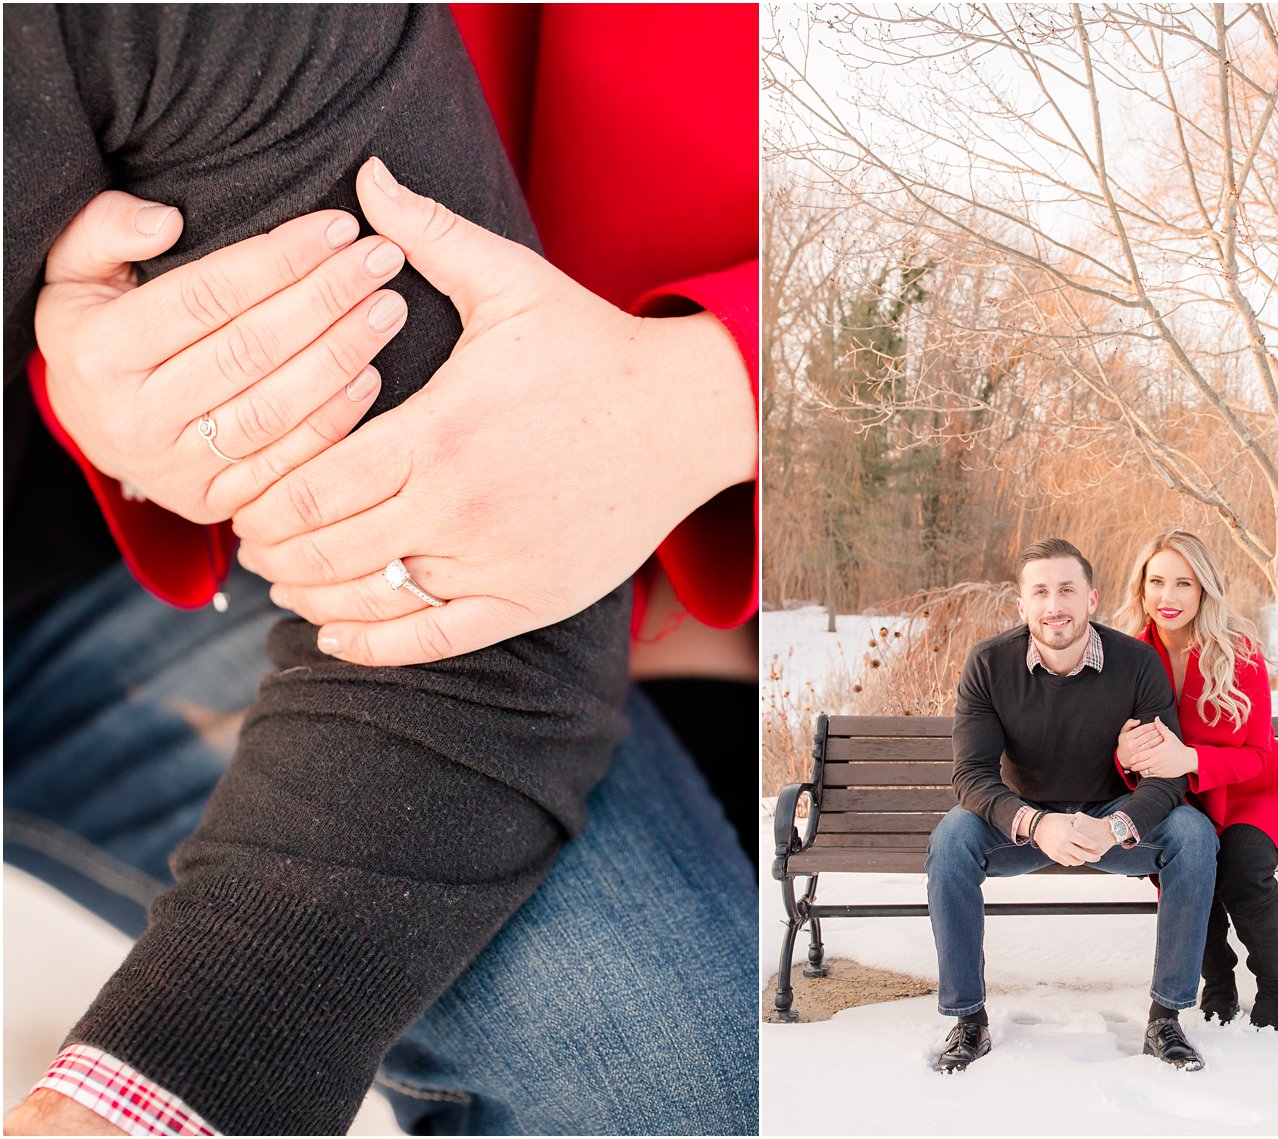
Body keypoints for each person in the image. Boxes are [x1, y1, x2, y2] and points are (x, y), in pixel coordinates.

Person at [4, 5, 756, 1135]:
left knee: (662, 1074)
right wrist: (145, 383)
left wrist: (722, 384)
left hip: (507, 540)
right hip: (366, 472)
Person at [926, 537, 1219, 1074]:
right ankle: (968, 1019)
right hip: (1021, 825)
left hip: (1109, 824)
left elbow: (1167, 777)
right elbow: (970, 775)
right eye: (1040, 591)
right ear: (1021, 604)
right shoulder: (989, 664)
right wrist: (1037, 825)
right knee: (951, 841)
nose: (1053, 605)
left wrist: (1119, 826)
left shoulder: (1137, 664)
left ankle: (1165, 1019)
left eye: (1067, 590)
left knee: (1194, 836)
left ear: (1092, 599)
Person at [1114, 530, 1278, 1031]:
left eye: (1183, 583)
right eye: (1157, 582)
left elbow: (1256, 755)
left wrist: (1189, 757)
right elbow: (1119, 750)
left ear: (1204, 589)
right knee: (1187, 857)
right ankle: (1218, 981)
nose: (1169, 597)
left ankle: (1275, 986)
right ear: (1141, 589)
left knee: (1244, 861)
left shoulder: (1238, 652)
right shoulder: (1126, 657)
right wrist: (1126, 754)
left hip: (1260, 792)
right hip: (1185, 797)